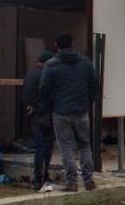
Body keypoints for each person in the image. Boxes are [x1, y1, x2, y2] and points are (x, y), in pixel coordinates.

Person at [40, 32, 99, 192]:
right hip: (81, 111)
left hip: (61, 111)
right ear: (72, 43)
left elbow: (44, 89)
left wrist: (51, 106)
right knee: (85, 146)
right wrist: (87, 102)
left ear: (56, 45)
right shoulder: (86, 63)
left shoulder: (51, 65)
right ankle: (88, 180)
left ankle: (71, 182)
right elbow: (95, 85)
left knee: (66, 147)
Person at [22, 50, 55, 192]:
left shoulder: (30, 74)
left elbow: (26, 95)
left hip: (35, 115)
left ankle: (38, 179)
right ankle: (42, 176)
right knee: (46, 148)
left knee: (39, 147)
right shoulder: (46, 75)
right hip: (46, 115)